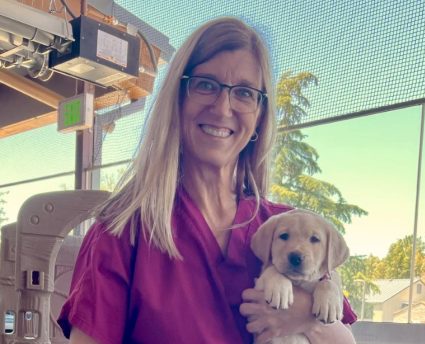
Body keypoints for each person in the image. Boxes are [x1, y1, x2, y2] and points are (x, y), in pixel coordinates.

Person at [58, 16, 357, 344]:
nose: (223, 107)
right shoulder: (121, 231)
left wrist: (305, 316)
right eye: (205, 84)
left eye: (244, 93)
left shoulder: (283, 227)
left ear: (259, 116)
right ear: (178, 98)